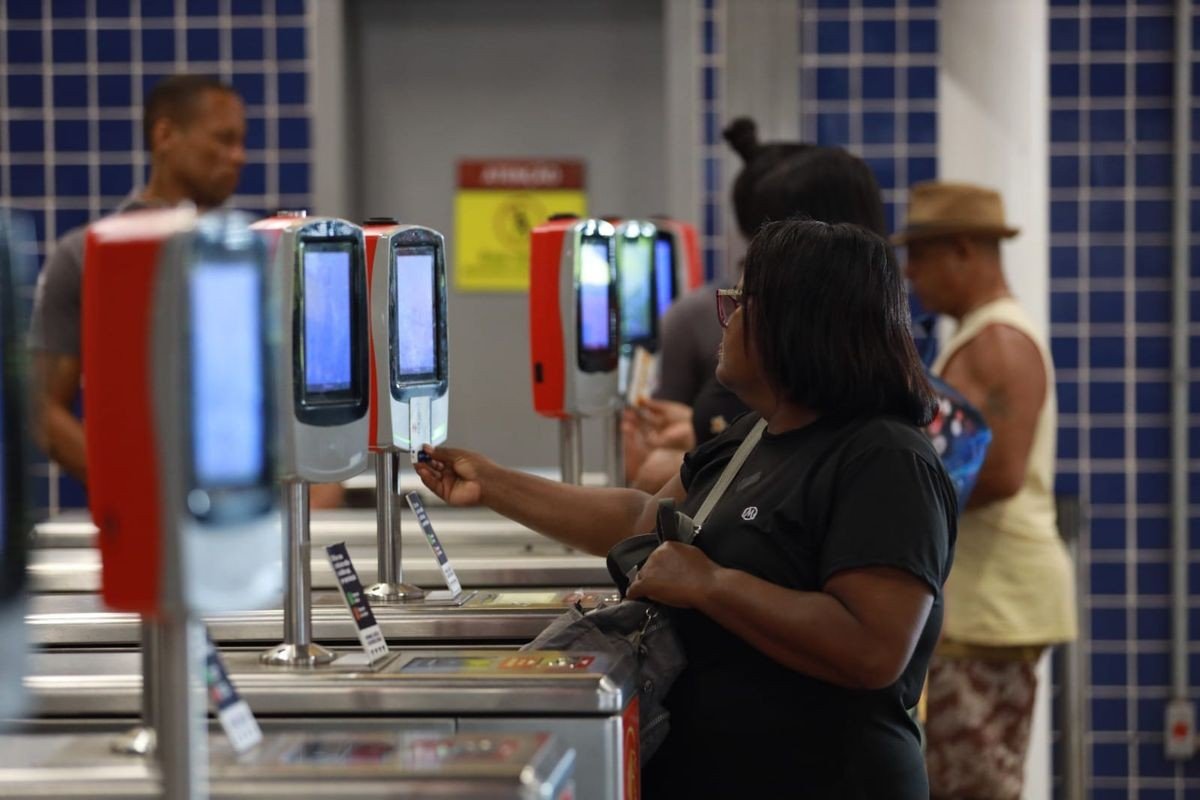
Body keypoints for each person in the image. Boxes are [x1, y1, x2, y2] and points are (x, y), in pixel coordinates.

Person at [418, 219, 957, 797]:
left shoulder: (885, 459)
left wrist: (712, 585)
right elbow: (639, 520)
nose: (726, 319)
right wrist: (493, 484)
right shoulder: (755, 435)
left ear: (796, 322)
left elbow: (873, 648)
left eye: (740, 304)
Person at [28, 74, 345, 507]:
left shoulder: (256, 254)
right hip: (148, 524)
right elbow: (41, 410)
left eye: (242, 142)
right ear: (165, 136)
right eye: (223, 139)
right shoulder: (86, 256)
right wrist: (139, 492)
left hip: (258, 515)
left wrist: (316, 488)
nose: (239, 156)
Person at [896, 181, 1076, 800]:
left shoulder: (997, 342)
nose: (911, 273)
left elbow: (998, 473)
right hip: (988, 598)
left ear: (964, 250)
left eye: (921, 256)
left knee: (972, 784)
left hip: (992, 601)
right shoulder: (982, 335)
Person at [626, 116, 887, 491]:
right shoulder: (709, 333)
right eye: (737, 302)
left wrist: (686, 449)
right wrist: (695, 435)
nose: (735, 319)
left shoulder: (868, 411)